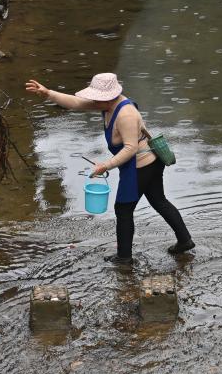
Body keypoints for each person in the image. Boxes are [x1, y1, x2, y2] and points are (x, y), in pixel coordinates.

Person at [25, 73, 194, 264]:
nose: (93, 101)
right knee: (158, 200)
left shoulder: (126, 114)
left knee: (123, 209)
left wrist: (106, 165)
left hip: (142, 165)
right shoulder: (106, 105)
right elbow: (75, 103)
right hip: (145, 163)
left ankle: (124, 258)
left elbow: (130, 149)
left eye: (97, 98)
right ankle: (184, 240)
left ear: (109, 96)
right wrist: (47, 93)